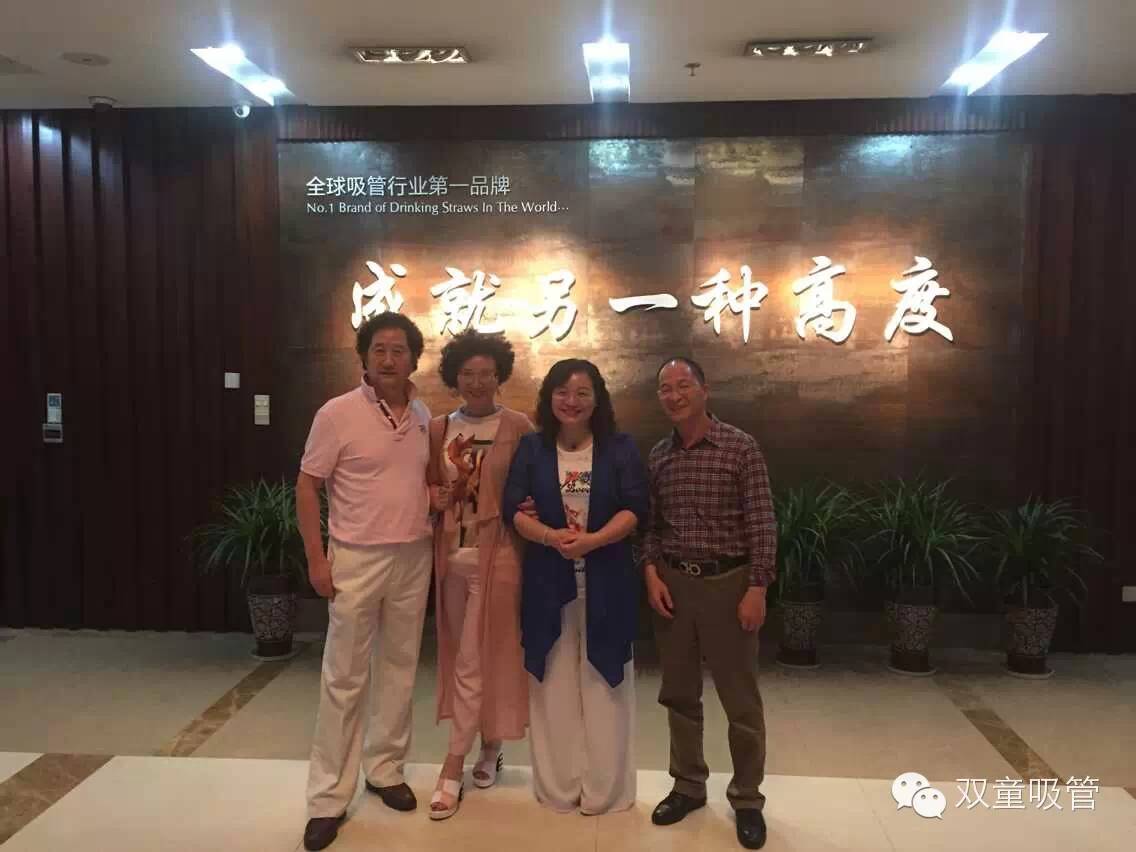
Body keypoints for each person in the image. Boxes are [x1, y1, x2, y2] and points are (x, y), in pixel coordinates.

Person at [297, 313, 433, 851]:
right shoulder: (336, 414)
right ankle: (327, 799)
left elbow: (421, 482)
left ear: (413, 359)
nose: (389, 358)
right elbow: (307, 487)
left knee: (400, 667)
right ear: (365, 357)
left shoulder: (422, 414)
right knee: (344, 677)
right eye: (379, 349)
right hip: (355, 558)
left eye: (399, 350)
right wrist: (316, 559)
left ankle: (385, 769)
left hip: (413, 555)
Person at [502, 358, 648, 815]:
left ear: (597, 399)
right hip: (549, 583)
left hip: (607, 581)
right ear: (549, 397)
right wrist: (551, 537)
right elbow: (513, 509)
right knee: (553, 689)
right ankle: (558, 789)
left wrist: (593, 541)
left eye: (583, 392)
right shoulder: (532, 448)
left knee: (607, 687)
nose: (572, 401)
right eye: (562, 392)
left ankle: (607, 792)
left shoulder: (619, 448)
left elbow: (635, 507)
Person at [643, 356, 777, 850]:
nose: (674, 395)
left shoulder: (740, 447)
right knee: (679, 694)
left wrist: (757, 587)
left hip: (729, 585)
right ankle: (688, 786)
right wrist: (651, 573)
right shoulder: (659, 455)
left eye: (683, 385)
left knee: (740, 700)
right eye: (665, 388)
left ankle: (747, 798)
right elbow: (651, 527)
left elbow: (762, 521)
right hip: (675, 584)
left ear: (705, 389)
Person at [424, 330, 534, 820]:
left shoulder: (519, 427)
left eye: (486, 373)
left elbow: (534, 489)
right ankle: (490, 745)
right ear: (455, 377)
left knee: (476, 655)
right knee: (464, 654)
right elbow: (428, 488)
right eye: (467, 373)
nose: (477, 382)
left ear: (499, 375)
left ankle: (452, 765)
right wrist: (434, 498)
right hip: (451, 558)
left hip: (502, 555)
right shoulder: (439, 429)